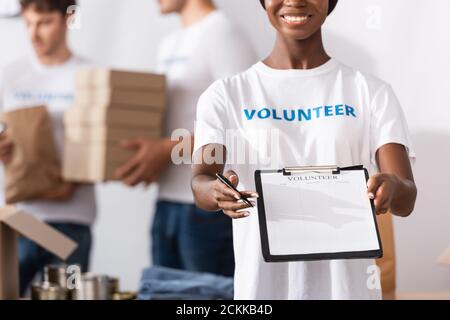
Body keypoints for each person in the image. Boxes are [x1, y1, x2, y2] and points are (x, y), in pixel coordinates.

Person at [191, 0, 417, 299]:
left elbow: (406, 197)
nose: (295, 1)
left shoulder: (370, 91)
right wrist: (218, 193)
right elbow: (201, 182)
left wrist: (391, 186)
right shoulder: (226, 94)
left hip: (348, 290)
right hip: (263, 289)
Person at [115, 0, 256, 276]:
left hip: (205, 208)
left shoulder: (222, 33)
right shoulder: (170, 42)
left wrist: (166, 149)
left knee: (210, 298)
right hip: (167, 201)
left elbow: (242, 119)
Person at [0, 0, 95, 295]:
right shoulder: (9, 76)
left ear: (69, 18)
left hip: (71, 220)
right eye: (28, 24)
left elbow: (106, 146)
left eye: (43, 23)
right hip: (18, 221)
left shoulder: (91, 76)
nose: (33, 34)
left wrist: (73, 179)